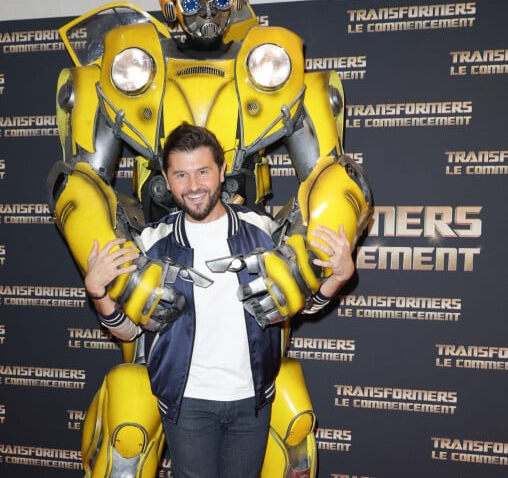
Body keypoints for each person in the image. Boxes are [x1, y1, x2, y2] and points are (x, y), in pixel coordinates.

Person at [83, 123, 356, 478]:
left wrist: (337, 278)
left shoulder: (264, 231)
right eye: (181, 174)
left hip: (252, 401)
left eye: (202, 172)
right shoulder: (151, 243)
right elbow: (129, 332)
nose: (193, 186)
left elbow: (299, 307)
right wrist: (98, 293)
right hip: (187, 404)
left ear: (222, 171)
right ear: (166, 178)